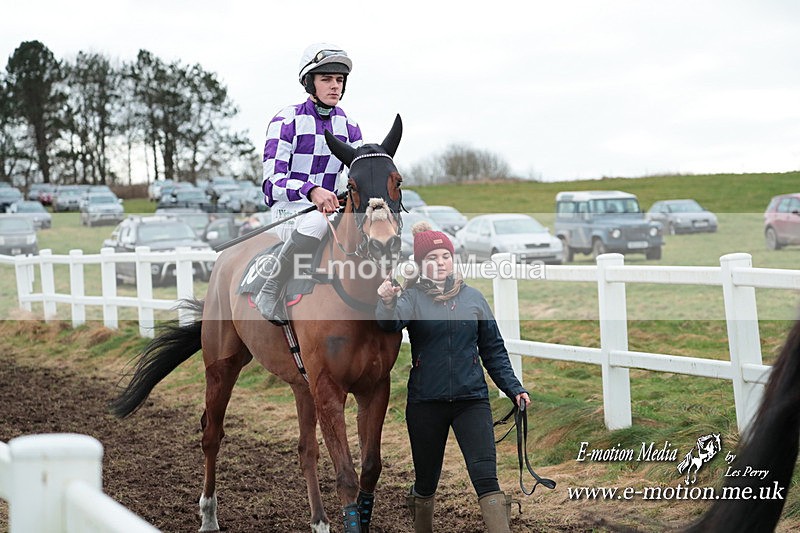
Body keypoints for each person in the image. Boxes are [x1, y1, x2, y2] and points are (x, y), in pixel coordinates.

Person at [375, 221, 531, 533]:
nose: (440, 263)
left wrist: (513, 388)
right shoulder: (412, 297)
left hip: (471, 400)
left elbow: (493, 350)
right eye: (432, 258)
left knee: (486, 479)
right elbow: (388, 324)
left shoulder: (474, 299)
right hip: (425, 403)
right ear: (420, 265)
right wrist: (387, 300)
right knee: (426, 481)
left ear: (453, 259)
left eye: (445, 256)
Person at [256, 42, 363, 323]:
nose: (334, 86)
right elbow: (271, 182)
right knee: (317, 221)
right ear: (309, 83)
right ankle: (270, 288)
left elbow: (357, 175)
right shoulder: (286, 120)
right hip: (289, 211)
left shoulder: (350, 127)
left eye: (339, 80)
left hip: (330, 209)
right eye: (326, 79)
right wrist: (311, 190)